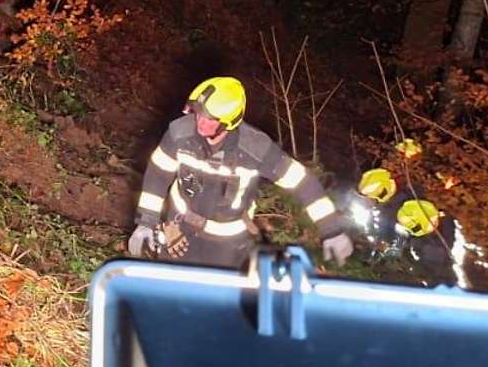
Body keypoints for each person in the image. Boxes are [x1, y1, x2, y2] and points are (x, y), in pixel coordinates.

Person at [128, 76, 355, 268]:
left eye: (210, 119)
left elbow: (303, 182)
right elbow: (157, 175)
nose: (200, 122)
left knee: (218, 300)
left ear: (229, 121)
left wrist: (331, 230)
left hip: (227, 244)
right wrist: (146, 222)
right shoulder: (179, 134)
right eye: (198, 113)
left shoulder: (255, 149)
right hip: (178, 229)